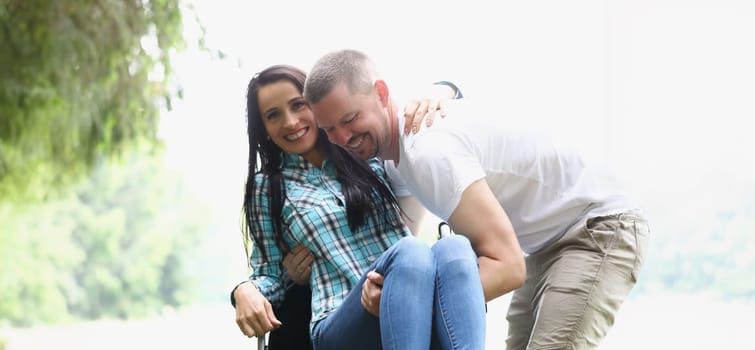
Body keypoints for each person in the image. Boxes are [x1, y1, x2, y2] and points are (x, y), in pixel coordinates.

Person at [304, 49, 650, 350]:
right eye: (330, 129)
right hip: (542, 246)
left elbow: (506, 267)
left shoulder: (427, 151)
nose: (343, 137)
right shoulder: (396, 160)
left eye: (350, 119)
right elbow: (404, 242)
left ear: (381, 93)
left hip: (597, 228)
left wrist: (405, 302)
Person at [231, 64, 486, 350]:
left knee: (455, 248)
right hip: (340, 318)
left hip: (406, 296)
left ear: (317, 105)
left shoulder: (363, 150)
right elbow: (269, 272)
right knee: (411, 250)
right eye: (273, 115)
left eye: (298, 105)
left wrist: (442, 90)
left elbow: (398, 114)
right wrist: (244, 290)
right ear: (263, 127)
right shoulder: (268, 188)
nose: (290, 122)